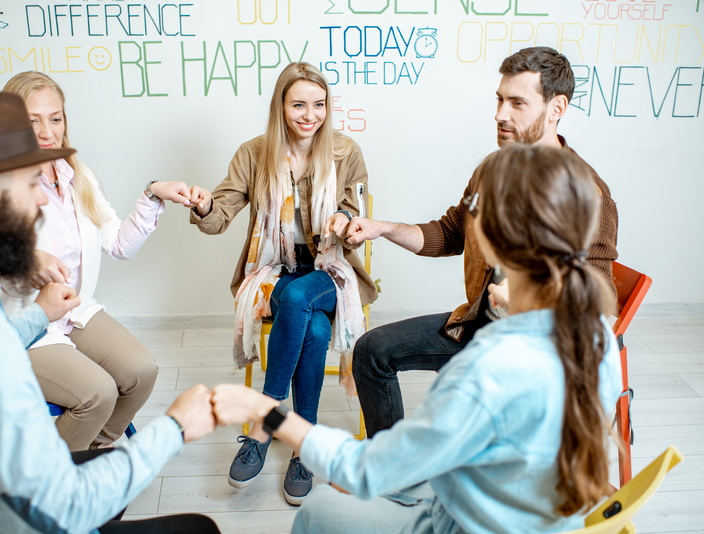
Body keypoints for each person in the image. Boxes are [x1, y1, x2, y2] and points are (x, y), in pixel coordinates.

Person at [210, 143, 624, 534]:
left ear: (495, 237)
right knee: (351, 341)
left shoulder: (481, 371)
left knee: (319, 508)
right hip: (538, 517)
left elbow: (362, 469)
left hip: (459, 522)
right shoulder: (598, 336)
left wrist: (267, 413)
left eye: (476, 209)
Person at [0, 91, 221, 534]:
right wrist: (174, 428)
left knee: (134, 377)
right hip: (10, 520)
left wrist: (38, 314)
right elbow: (63, 506)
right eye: (30, 183)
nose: (42, 198)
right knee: (199, 529)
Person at [341, 46, 619, 438]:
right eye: (500, 100)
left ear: (556, 108)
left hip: (532, 353)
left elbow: (596, 303)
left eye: (517, 103)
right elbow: (450, 233)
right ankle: (387, 467)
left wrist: (528, 300)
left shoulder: (587, 194)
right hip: (477, 324)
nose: (500, 114)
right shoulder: (492, 170)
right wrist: (382, 228)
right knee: (371, 351)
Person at [184, 62, 378, 504]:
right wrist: (203, 205)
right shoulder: (254, 154)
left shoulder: (345, 152)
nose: (310, 115)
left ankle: (264, 421)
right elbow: (218, 216)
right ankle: (304, 443)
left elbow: (356, 211)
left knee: (302, 296)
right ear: (280, 106)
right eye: (298, 105)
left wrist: (344, 220)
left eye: (319, 105)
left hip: (330, 268)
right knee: (313, 325)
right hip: (276, 268)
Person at [0, 71, 192, 452]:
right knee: (98, 393)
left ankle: (90, 454)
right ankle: (47, 477)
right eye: (32, 121)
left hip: (74, 312)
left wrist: (154, 195)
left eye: (55, 118)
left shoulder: (77, 176)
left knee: (141, 372)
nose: (47, 132)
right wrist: (26, 260)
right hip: (26, 324)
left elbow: (120, 244)